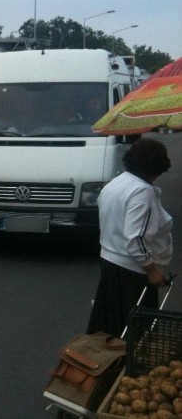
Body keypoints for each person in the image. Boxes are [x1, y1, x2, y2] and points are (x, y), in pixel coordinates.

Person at [86, 137, 173, 337]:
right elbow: (135, 239)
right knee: (136, 334)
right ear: (158, 167)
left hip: (110, 264)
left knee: (109, 330)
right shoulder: (142, 192)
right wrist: (152, 271)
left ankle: (106, 365)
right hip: (133, 273)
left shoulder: (116, 183)